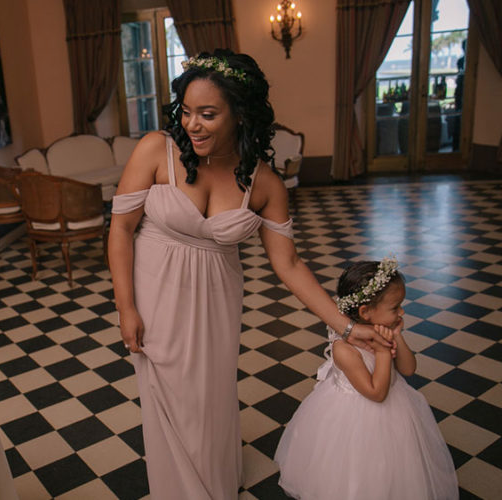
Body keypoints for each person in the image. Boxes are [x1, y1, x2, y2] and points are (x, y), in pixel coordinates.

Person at [108, 48, 392, 499]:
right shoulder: (153, 151)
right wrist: (126, 307)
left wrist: (346, 325)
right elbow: (121, 230)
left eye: (208, 114)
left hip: (217, 301)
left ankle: (216, 482)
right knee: (166, 400)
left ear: (240, 116)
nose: (192, 124)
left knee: (211, 399)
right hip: (154, 293)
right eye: (186, 111)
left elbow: (290, 265)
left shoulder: (264, 184)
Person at [274, 258, 458, 499]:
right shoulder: (344, 350)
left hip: (396, 408)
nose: (401, 312)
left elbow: (409, 369)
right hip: (355, 416)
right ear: (365, 312)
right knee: (360, 467)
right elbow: (377, 393)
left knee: (395, 464)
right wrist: (383, 351)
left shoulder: (383, 328)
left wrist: (397, 337)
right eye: (395, 308)